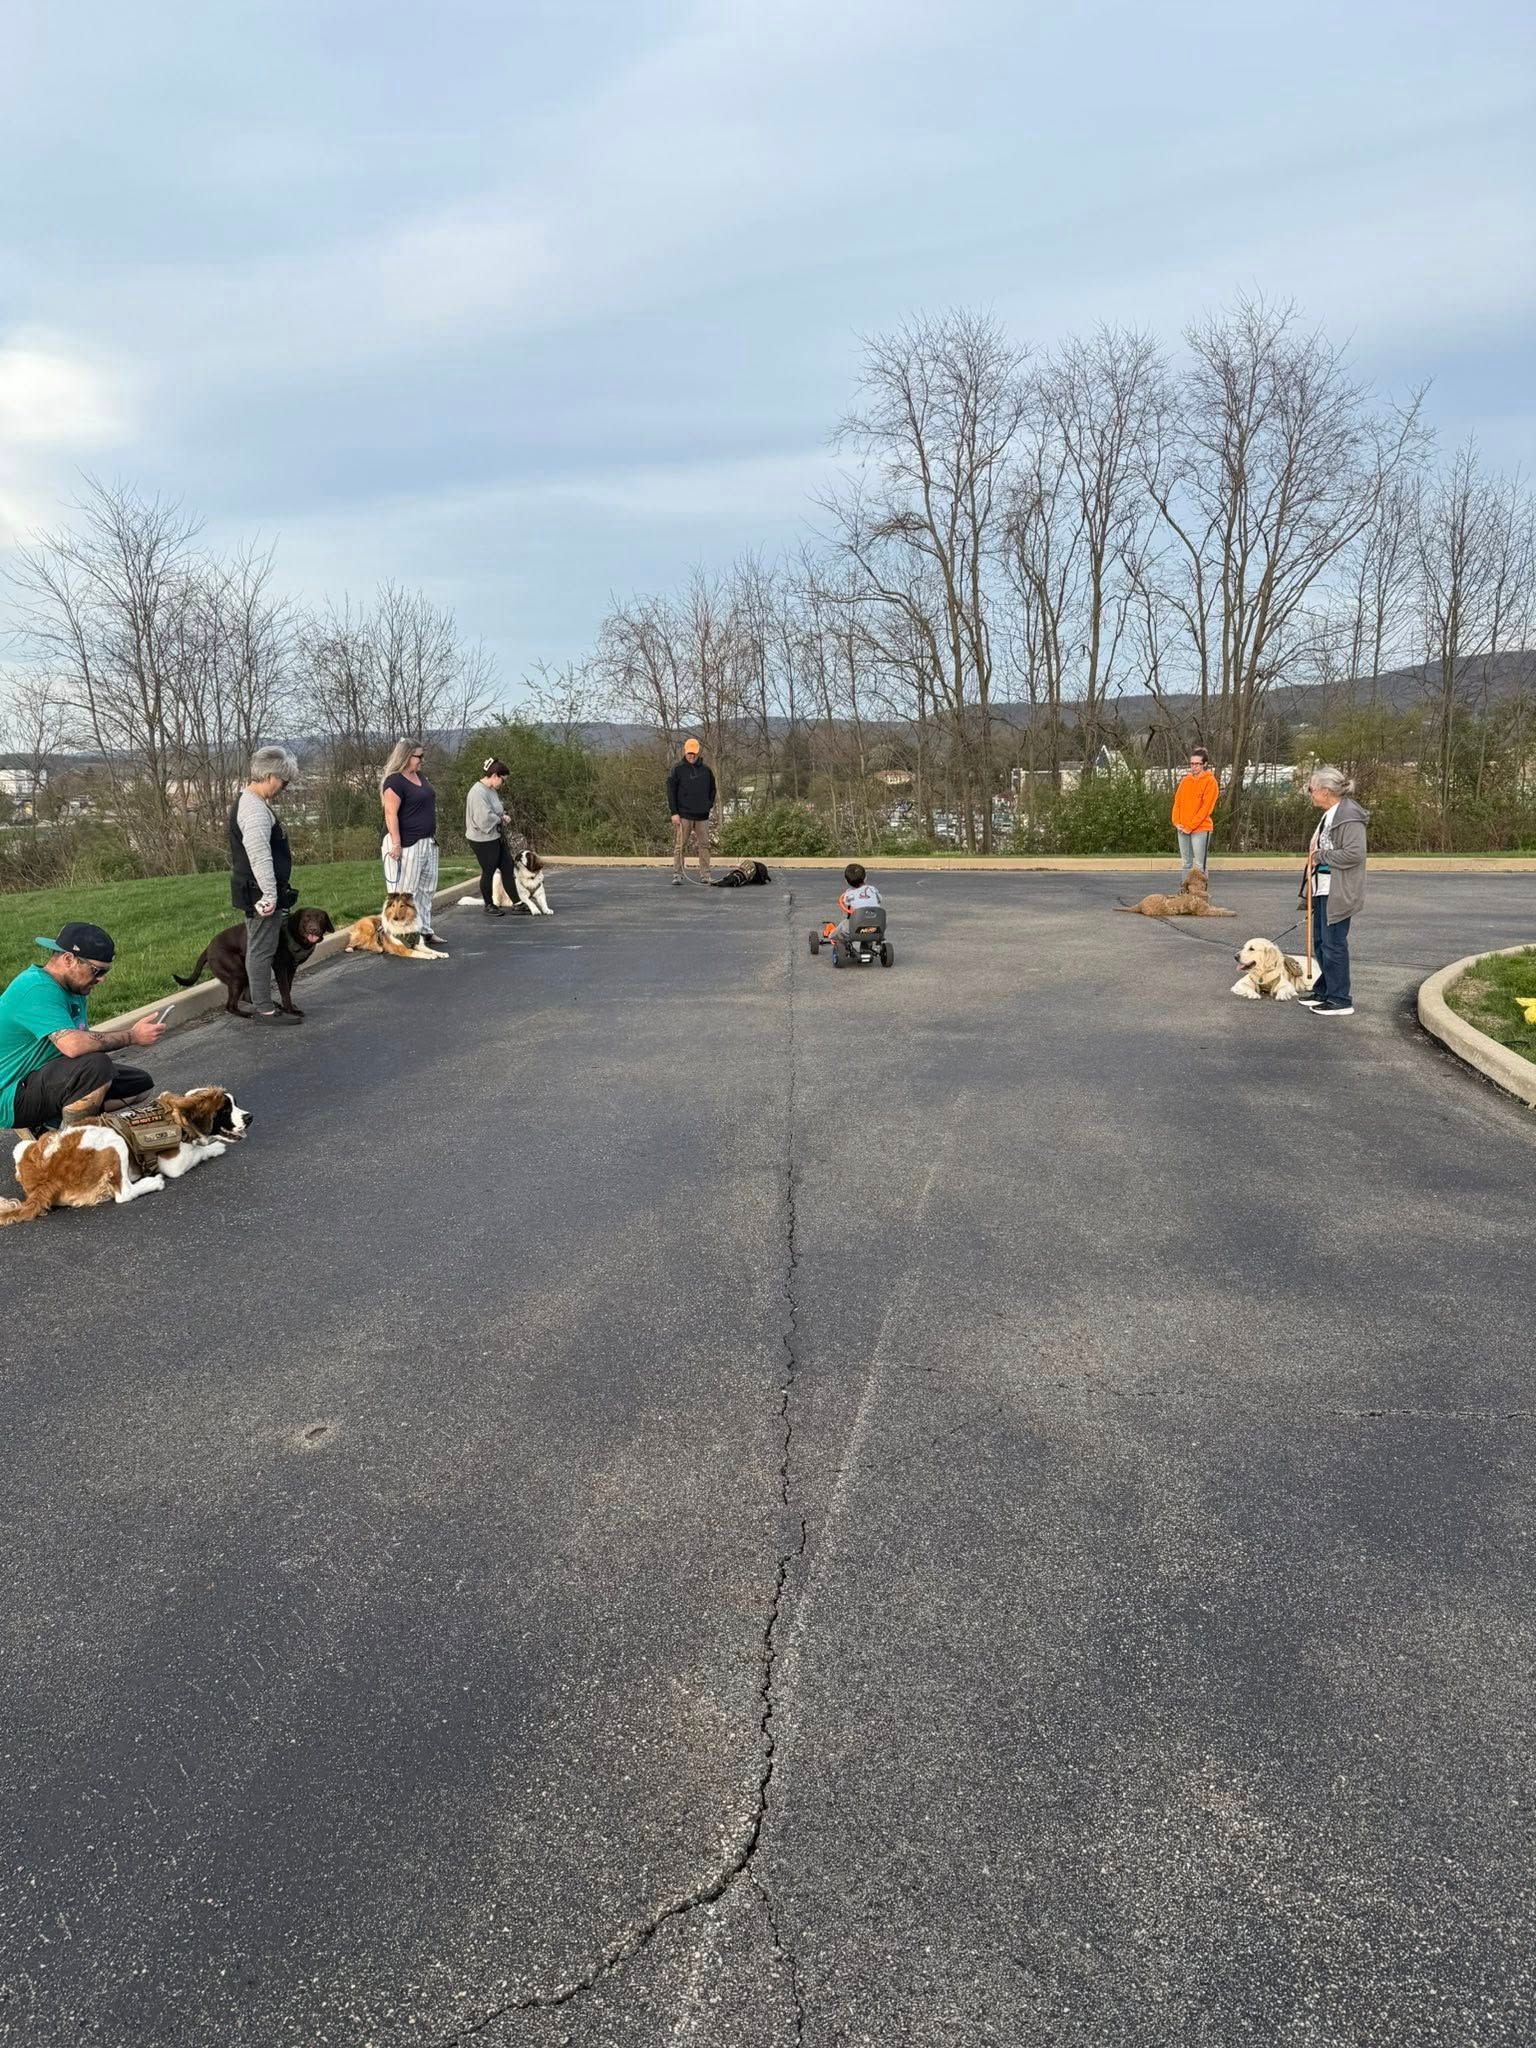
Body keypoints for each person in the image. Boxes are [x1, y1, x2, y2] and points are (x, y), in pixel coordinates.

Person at [0, 924, 164, 1134]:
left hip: (41, 1076)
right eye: (97, 971)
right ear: (68, 959)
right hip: (10, 1094)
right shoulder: (36, 988)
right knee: (96, 1067)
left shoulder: (74, 989)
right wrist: (132, 1036)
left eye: (105, 971)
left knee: (140, 1085)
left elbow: (83, 1044)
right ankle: (69, 1143)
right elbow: (74, 1046)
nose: (101, 979)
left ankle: (52, 1122)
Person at [231, 745, 302, 1026]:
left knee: (260, 946)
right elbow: (259, 854)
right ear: (270, 775)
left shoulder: (252, 802)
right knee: (262, 949)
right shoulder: (254, 809)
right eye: (283, 781)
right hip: (259, 891)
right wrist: (270, 893)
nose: (283, 787)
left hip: (256, 888)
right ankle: (263, 1009)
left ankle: (258, 1000)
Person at [1300, 765, 1369, 1019]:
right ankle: (1325, 990)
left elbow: (1354, 854)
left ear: (1325, 791)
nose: (1309, 793)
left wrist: (1321, 856)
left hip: (1338, 890)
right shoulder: (1330, 814)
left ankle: (1340, 999)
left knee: (1333, 944)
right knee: (1321, 941)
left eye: (1311, 789)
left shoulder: (1349, 816)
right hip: (1323, 887)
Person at [380, 738, 445, 949]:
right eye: (419, 756)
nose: (422, 760)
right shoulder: (394, 782)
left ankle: (424, 929)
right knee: (406, 892)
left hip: (427, 841)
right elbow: (390, 814)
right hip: (407, 843)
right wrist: (396, 843)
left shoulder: (420, 777)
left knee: (427, 889)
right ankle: (404, 934)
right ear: (407, 756)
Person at [465, 757, 523, 917]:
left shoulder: (491, 790)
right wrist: (500, 819)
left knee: (507, 865)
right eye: (503, 780)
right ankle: (489, 904)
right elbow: (483, 818)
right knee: (489, 869)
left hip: (495, 835)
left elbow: (496, 809)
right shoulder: (477, 792)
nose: (503, 784)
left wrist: (502, 816)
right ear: (495, 775)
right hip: (482, 839)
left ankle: (517, 903)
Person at [667, 736, 715, 886]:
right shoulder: (677, 770)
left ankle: (705, 875)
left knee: (704, 845)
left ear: (698, 752)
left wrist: (708, 805)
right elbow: (671, 792)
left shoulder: (706, 771)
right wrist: (674, 812)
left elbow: (713, 790)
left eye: (694, 753)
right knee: (680, 845)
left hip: (702, 816)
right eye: (689, 753)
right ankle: (677, 874)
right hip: (684, 815)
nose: (691, 755)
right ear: (685, 752)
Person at [1170, 747, 1219, 875]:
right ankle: (1186, 888)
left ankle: (1199, 888)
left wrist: (1191, 826)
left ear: (1205, 764)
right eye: (1192, 763)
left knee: (1199, 865)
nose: (1194, 767)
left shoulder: (1210, 782)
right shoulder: (1185, 781)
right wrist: (1177, 822)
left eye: (1197, 764)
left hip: (1201, 829)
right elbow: (1177, 803)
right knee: (1186, 864)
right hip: (1182, 828)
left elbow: (1206, 809)